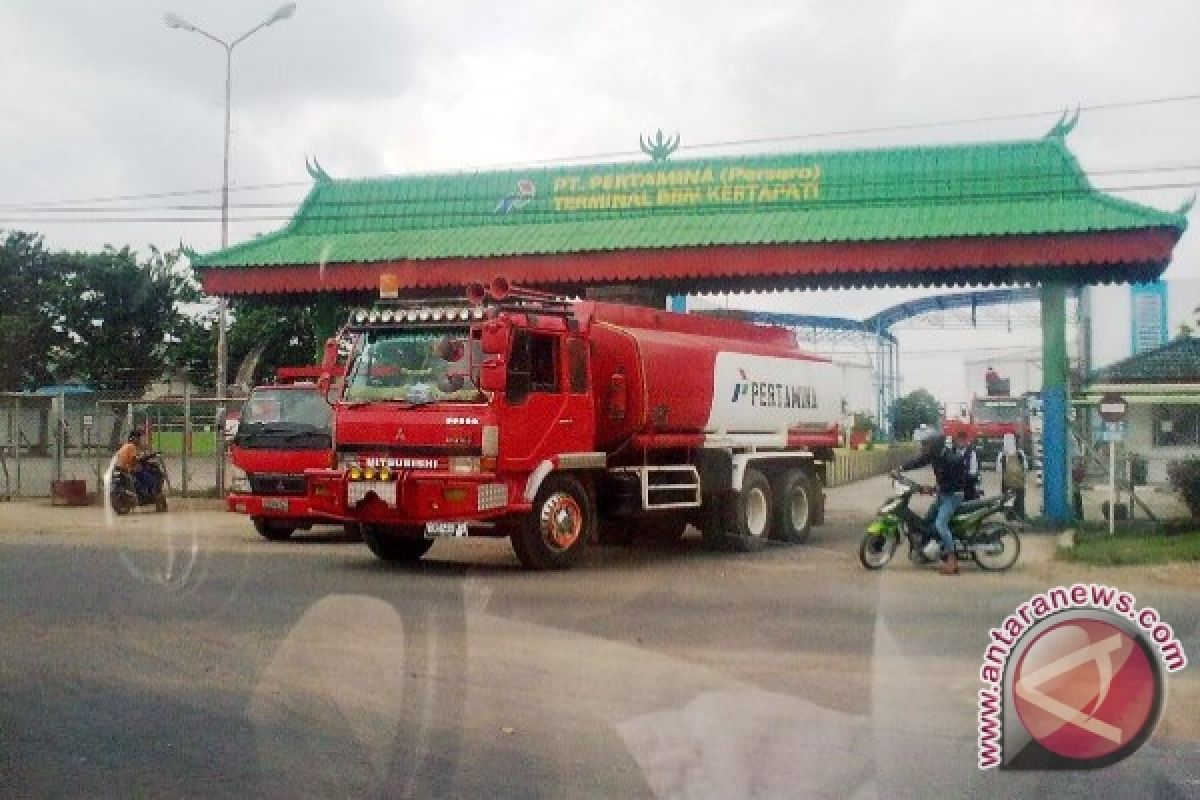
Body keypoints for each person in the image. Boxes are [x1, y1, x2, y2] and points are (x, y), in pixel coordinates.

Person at [899, 427, 973, 575]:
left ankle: (952, 561)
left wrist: (935, 489)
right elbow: (918, 462)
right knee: (926, 522)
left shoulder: (952, 459)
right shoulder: (934, 456)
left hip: (953, 497)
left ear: (935, 445)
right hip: (943, 495)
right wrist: (900, 469)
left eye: (926, 444)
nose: (923, 447)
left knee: (940, 524)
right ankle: (927, 553)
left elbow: (958, 484)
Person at [996, 432, 1029, 519]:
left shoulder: (1002, 455)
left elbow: (999, 470)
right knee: (1020, 503)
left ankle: (1009, 520)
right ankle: (1020, 520)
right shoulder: (1020, 453)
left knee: (1007, 503)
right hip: (1019, 484)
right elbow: (1026, 467)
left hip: (1006, 484)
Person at [115, 430, 151, 497]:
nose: (139, 440)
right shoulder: (132, 447)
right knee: (147, 477)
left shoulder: (125, 446)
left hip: (120, 468)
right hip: (128, 469)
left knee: (140, 472)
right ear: (134, 438)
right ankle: (145, 492)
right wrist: (138, 463)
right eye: (138, 438)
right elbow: (134, 459)